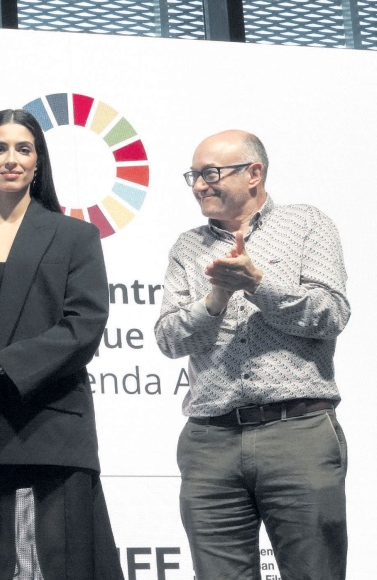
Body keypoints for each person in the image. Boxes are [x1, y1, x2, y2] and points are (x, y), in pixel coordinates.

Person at [0, 109, 124, 580]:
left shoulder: (75, 236)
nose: (11, 159)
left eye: (23, 149)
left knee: (64, 569)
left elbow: (85, 325)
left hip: (51, 434)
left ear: (39, 163)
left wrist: (1, 362)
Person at [154, 129, 349, 579]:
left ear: (253, 173)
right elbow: (168, 339)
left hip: (297, 432)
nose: (198, 185)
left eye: (210, 174)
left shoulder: (305, 224)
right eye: (193, 176)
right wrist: (215, 299)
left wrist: (257, 283)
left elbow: (331, 314)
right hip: (209, 442)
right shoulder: (187, 247)